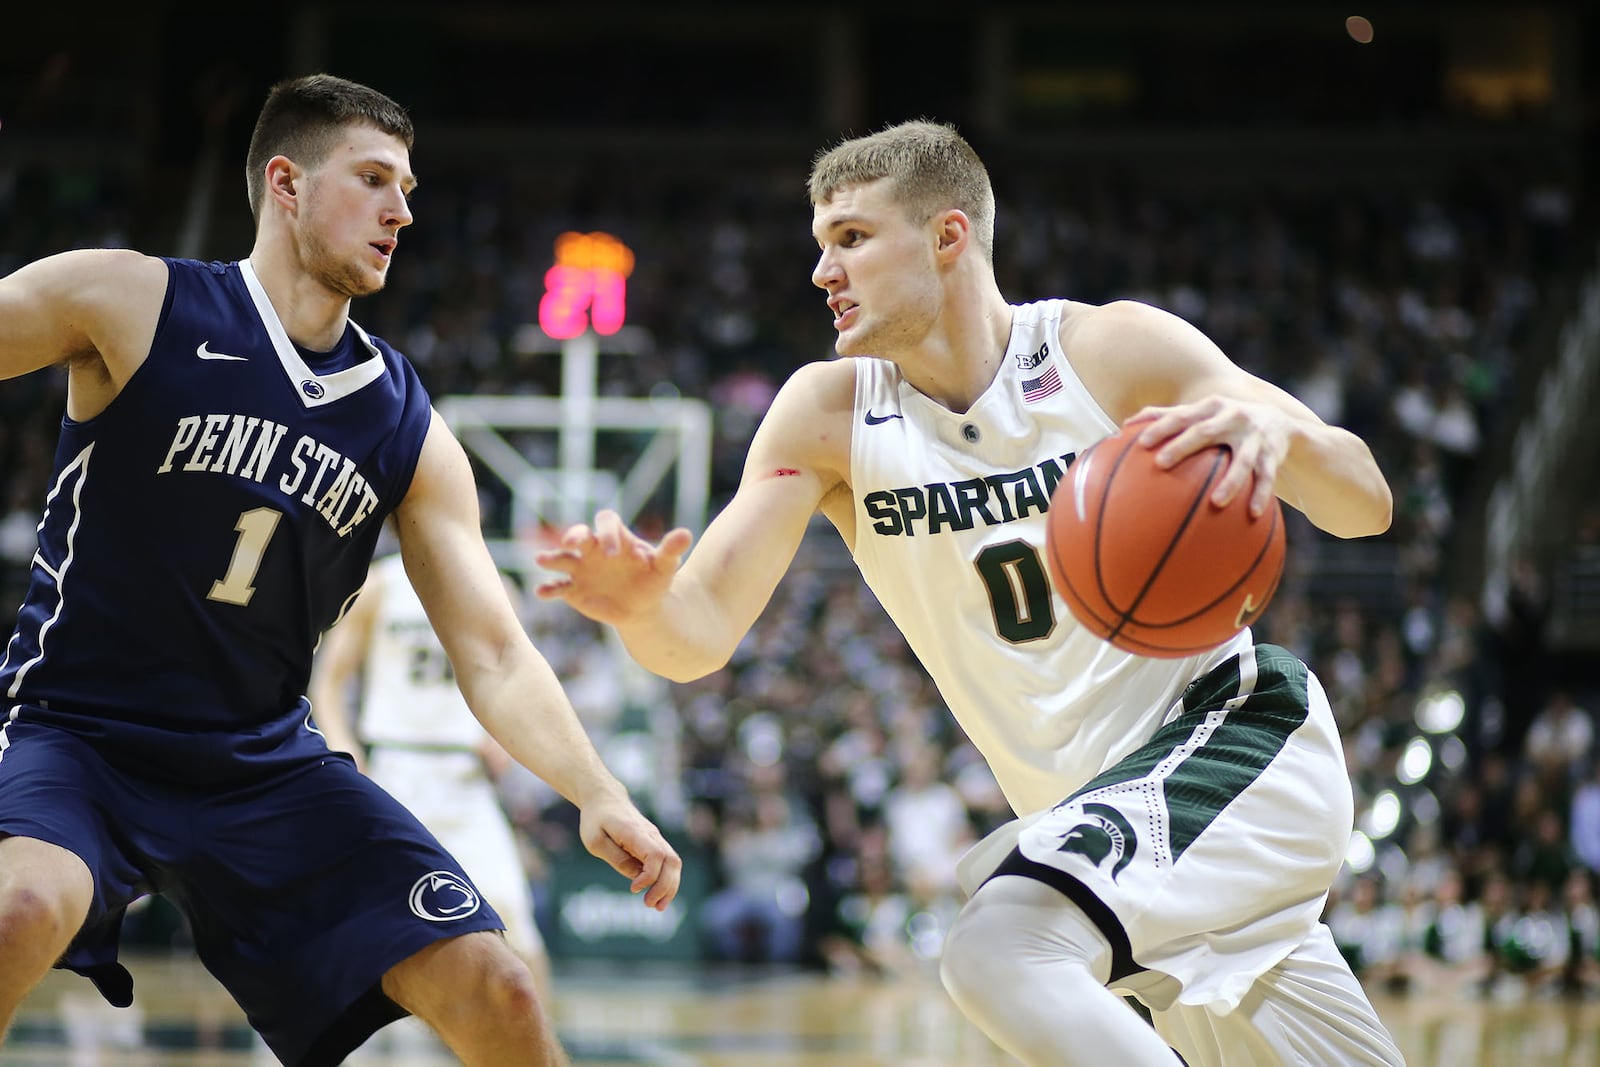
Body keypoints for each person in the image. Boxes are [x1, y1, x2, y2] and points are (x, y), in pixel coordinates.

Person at [536, 120, 1402, 1065]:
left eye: (854, 240)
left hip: (1233, 740)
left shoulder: (1109, 353)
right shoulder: (828, 417)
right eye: (820, 245)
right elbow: (695, 638)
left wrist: (1290, 441)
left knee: (1002, 946)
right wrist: (638, 608)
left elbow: (1366, 503)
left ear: (948, 236)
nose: (825, 271)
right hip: (1109, 821)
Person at [0, 74, 680, 1067]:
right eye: (373, 179)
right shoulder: (131, 299)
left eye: (406, 186)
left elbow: (491, 650)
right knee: (19, 906)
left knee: (499, 984)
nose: (402, 209)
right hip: (81, 734)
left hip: (259, 761)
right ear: (286, 182)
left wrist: (598, 790)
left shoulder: (403, 421)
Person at [308, 551, 556, 1027]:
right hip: (394, 771)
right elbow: (330, 681)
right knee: (351, 926)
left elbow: (517, 676)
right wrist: (343, 747)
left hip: (465, 777)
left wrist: (506, 735)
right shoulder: (379, 584)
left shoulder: (497, 585)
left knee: (517, 926)